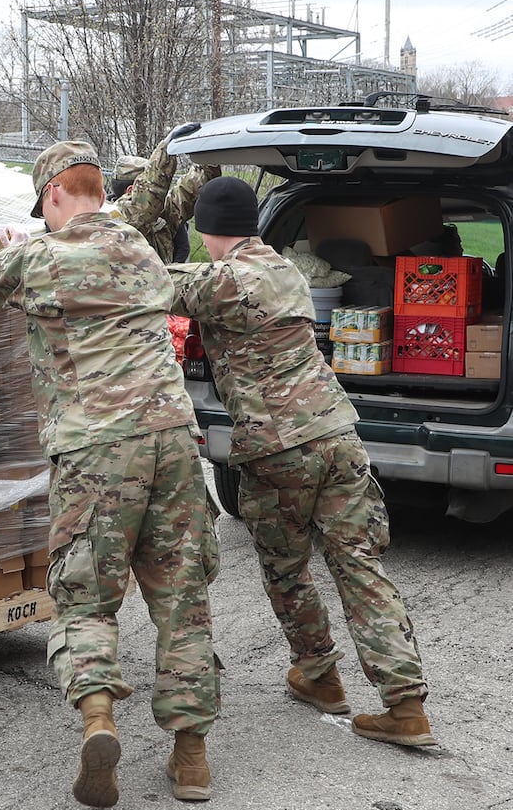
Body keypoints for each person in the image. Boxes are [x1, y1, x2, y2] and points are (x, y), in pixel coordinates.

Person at [0, 140, 219, 808]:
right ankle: (191, 757)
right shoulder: (137, 246)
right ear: (96, 191)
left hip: (95, 449)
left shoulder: (38, 256)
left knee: (85, 596)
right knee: (181, 597)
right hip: (172, 440)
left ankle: (98, 721)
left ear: (51, 196)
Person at [125, 171, 435, 747]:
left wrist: (140, 208)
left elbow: (132, 277)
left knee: (287, 569)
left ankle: (318, 672)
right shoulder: (286, 268)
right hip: (338, 434)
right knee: (361, 567)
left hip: (277, 447)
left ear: (206, 228)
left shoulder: (219, 281)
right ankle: (407, 705)